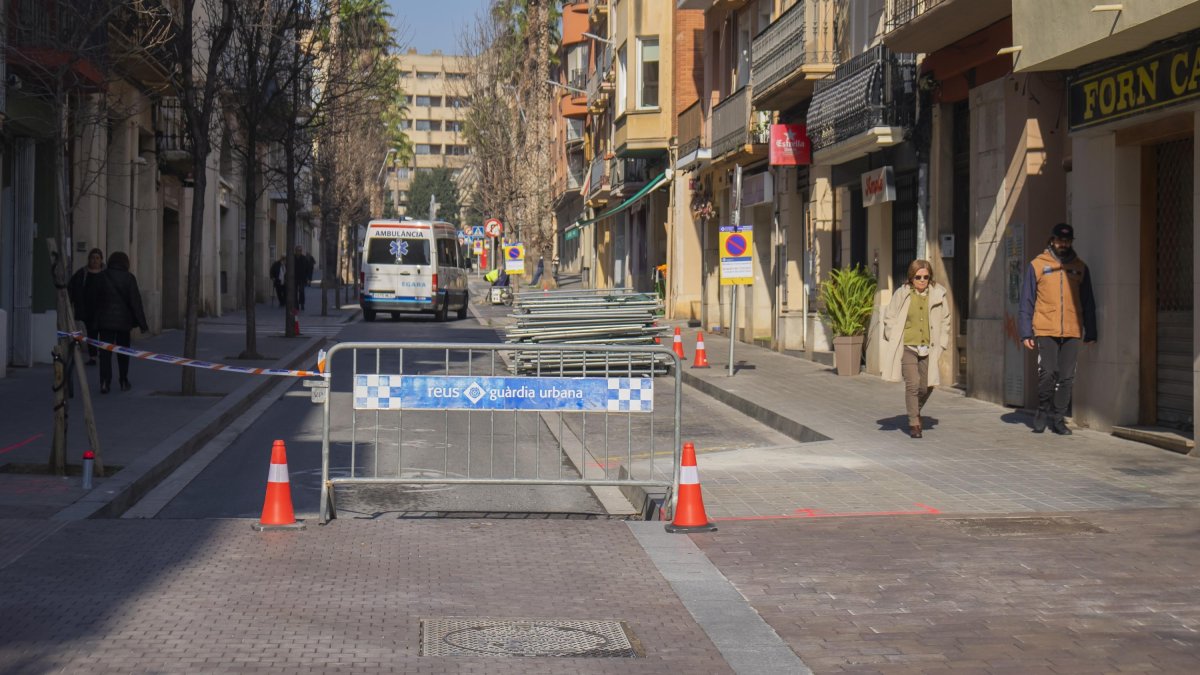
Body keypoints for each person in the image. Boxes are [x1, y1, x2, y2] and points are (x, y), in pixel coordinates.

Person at [1019, 223, 1097, 436]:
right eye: (1059, 240)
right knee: (1048, 372)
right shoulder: (1037, 265)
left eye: (1067, 241)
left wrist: (1091, 330)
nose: (1063, 244)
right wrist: (1026, 331)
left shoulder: (1080, 267)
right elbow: (1027, 300)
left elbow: (1088, 301)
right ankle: (1043, 409)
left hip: (1072, 329)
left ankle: (1058, 418)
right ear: (1052, 240)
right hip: (1045, 327)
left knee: (1067, 377)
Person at [881, 260, 952, 439]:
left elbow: (946, 320)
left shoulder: (938, 294)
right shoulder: (902, 294)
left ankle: (914, 409)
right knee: (912, 383)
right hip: (907, 346)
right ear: (911, 278)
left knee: (925, 386)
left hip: (929, 347)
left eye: (926, 277)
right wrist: (892, 335)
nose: (922, 280)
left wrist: (942, 342)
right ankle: (914, 422)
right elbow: (890, 316)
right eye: (918, 277)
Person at [89, 251, 148, 394]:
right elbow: (136, 302)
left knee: (105, 353)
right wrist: (142, 324)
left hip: (105, 323)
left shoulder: (101, 276)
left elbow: (94, 301)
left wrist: (93, 321)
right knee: (123, 352)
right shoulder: (129, 278)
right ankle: (123, 380)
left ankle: (104, 382)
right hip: (123, 323)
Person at [67, 248, 105, 366]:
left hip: (103, 309)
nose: (95, 260)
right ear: (89, 259)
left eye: (97, 258)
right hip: (86, 310)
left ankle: (104, 355)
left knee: (103, 334)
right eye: (92, 258)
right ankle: (92, 356)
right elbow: (71, 288)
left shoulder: (106, 274)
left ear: (101, 260)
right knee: (91, 334)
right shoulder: (82, 273)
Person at [293, 246, 313, 310]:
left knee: (301, 291)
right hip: (294, 278)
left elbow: (308, 269)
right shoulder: (292, 258)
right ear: (295, 251)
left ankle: (302, 304)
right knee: (295, 292)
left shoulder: (304, 259)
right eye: (297, 251)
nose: (298, 252)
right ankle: (296, 305)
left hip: (302, 278)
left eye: (299, 251)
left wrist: (309, 278)